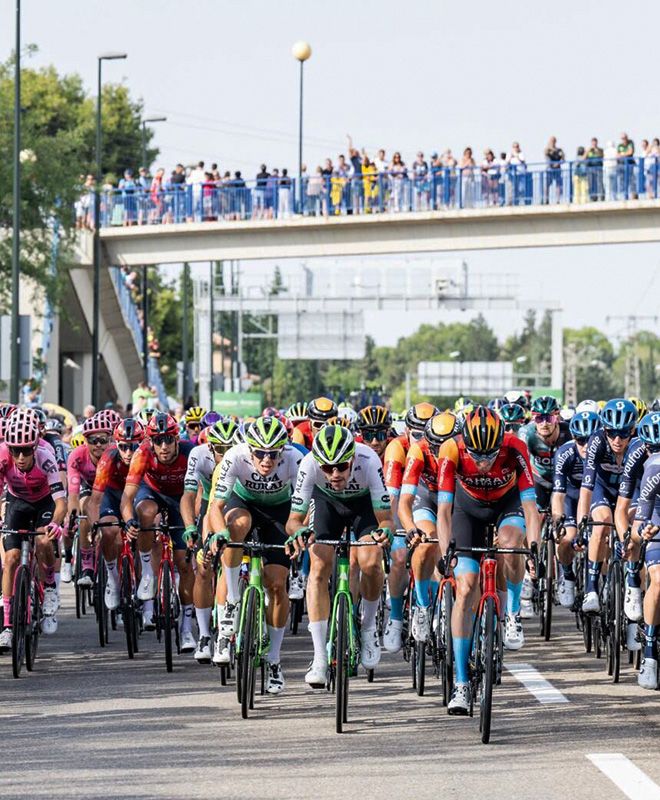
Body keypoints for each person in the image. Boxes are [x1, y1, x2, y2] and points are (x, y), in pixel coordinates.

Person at [436, 406, 540, 714]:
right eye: (476, 456)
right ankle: (461, 682)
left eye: (489, 456)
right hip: (466, 510)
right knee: (466, 587)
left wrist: (533, 549)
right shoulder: (451, 448)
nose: (482, 464)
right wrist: (445, 554)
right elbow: (443, 511)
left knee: (510, 545)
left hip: (507, 505)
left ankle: (512, 613)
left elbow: (531, 509)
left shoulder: (515, 448)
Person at [286, 425, 393, 686]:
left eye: (341, 466)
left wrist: (385, 533)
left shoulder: (368, 459)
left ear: (353, 458)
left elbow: (387, 519)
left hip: (363, 505)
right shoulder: (309, 463)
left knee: (370, 561)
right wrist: (299, 531)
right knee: (319, 565)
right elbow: (293, 520)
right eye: (327, 468)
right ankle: (320, 656)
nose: (334, 474)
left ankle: (368, 629)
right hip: (326, 505)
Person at [207, 417, 302, 693]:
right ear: (250, 450)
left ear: (282, 451)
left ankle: (273, 660)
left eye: (273, 454)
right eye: (260, 453)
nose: (266, 459)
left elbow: (305, 503)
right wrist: (220, 532)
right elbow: (216, 505)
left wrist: (298, 532)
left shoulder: (294, 459)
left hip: (279, 511)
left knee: (276, 584)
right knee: (236, 527)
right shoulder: (235, 456)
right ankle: (233, 603)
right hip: (243, 503)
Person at [120, 412, 197, 648]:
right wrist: (129, 520)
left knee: (184, 563)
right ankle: (148, 573)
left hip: (180, 498)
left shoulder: (190, 452)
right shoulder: (142, 454)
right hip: (151, 492)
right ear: (150, 442)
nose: (163, 447)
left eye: (168, 440)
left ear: (176, 439)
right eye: (157, 441)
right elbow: (127, 495)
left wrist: (197, 523)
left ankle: (186, 627)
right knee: (144, 512)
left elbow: (200, 493)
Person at [0, 414, 67, 648]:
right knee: (11, 559)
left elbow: (61, 502)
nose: (20, 457)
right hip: (17, 503)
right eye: (15, 450)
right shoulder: (2, 457)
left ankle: (49, 586)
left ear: (35, 446)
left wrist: (55, 524)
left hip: (44, 503)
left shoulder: (46, 459)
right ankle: (7, 627)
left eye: (26, 450)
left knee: (43, 541)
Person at [382, 402, 438, 652]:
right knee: (399, 554)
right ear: (406, 431)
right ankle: (395, 618)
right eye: (417, 434)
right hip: (405, 500)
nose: (423, 440)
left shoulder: (440, 445)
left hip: (431, 496)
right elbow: (392, 499)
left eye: (428, 433)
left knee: (436, 549)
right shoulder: (397, 448)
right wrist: (393, 530)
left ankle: (434, 607)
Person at [400, 412, 457, 642]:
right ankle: (422, 606)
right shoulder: (418, 451)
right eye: (434, 446)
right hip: (427, 499)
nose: (439, 451)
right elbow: (404, 501)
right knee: (427, 542)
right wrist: (410, 528)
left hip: (454, 501)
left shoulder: (462, 452)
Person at [578, 398, 637, 614]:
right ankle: (591, 589)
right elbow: (586, 487)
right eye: (612, 432)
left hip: (630, 492)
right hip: (602, 490)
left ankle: (633, 587)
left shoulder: (640, 443)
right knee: (602, 521)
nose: (618, 439)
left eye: (624, 433)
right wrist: (582, 524)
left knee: (635, 527)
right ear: (604, 430)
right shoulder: (596, 442)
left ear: (633, 430)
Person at [86, 418, 145, 611]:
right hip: (112, 494)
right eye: (123, 447)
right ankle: (112, 577)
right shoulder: (108, 457)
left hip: (137, 494)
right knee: (109, 531)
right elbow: (94, 500)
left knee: (145, 532)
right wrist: (95, 527)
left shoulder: (147, 456)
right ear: (115, 444)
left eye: (133, 446)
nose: (128, 453)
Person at [552, 410, 601, 607]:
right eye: (581, 440)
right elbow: (558, 494)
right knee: (565, 539)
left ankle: (601, 584)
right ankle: (568, 574)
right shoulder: (565, 453)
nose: (586, 446)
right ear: (573, 438)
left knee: (601, 537)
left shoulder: (604, 452)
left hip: (595, 499)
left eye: (591, 440)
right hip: (571, 499)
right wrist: (557, 521)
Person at [544, 137, 565, 203]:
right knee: (547, 184)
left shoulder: (559, 150)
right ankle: (546, 199)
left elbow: (563, 159)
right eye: (551, 141)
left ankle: (558, 200)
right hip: (550, 170)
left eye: (554, 141)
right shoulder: (547, 150)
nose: (552, 142)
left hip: (557, 169)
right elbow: (546, 156)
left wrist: (558, 163)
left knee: (558, 184)